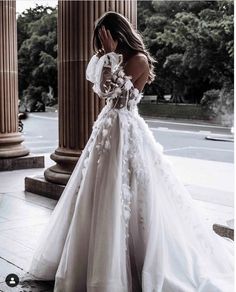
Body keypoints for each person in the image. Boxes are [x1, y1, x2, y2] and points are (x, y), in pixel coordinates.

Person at [25, 11, 234, 292]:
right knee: (95, 189)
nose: (100, 45)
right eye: (99, 40)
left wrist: (110, 56)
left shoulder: (139, 60)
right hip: (106, 128)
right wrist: (107, 58)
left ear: (117, 34)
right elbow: (100, 91)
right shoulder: (110, 59)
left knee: (128, 188)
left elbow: (114, 93)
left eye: (104, 38)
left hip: (125, 128)